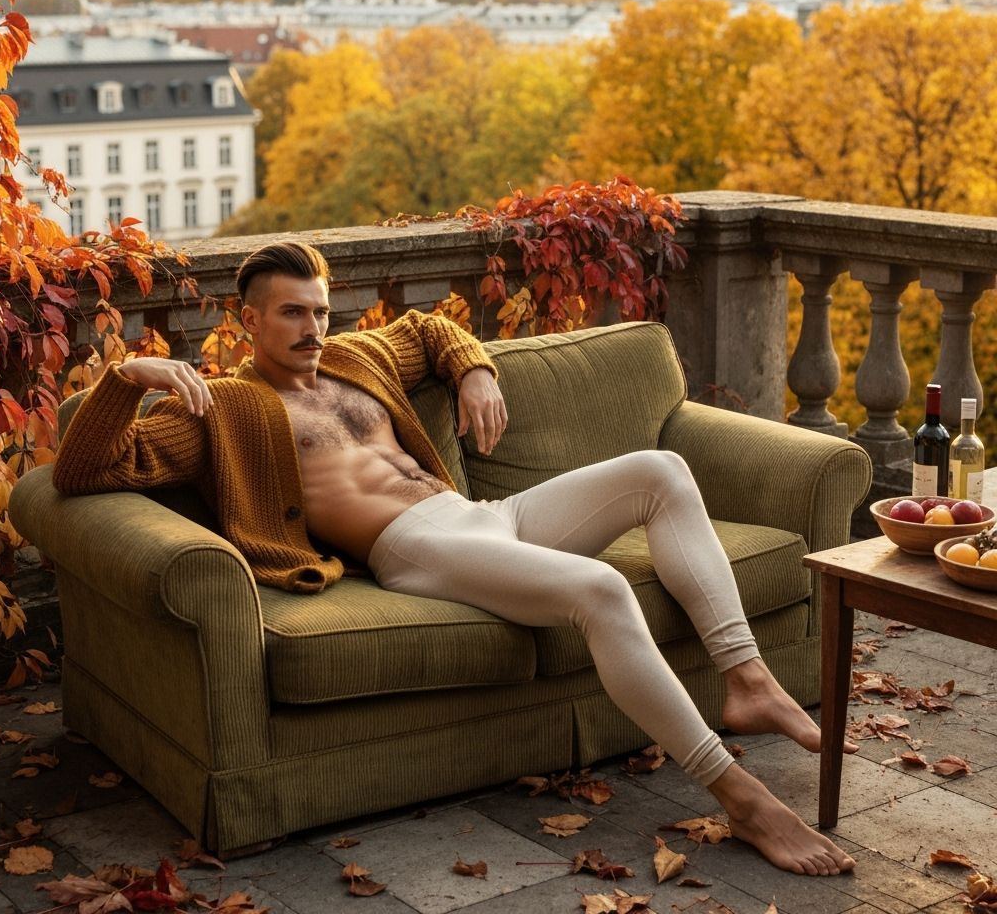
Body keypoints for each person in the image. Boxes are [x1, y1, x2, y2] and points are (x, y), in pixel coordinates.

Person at [54, 241, 856, 877]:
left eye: (321, 312)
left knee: (660, 472)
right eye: (292, 314)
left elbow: (431, 328)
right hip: (413, 549)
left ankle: (745, 678)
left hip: (484, 516)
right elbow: (83, 470)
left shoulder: (355, 360)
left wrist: (472, 369)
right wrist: (127, 378)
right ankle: (739, 794)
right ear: (248, 320)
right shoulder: (220, 408)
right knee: (602, 588)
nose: (312, 329)